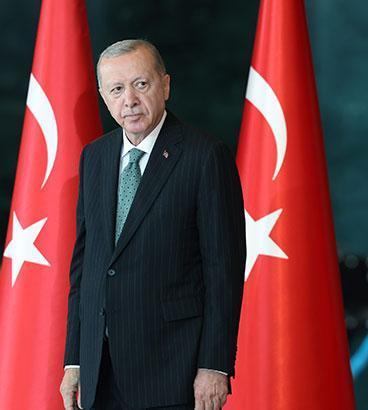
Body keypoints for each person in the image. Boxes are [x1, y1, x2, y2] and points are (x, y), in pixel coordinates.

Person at [58, 39, 246, 410]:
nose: (129, 100)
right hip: (100, 372)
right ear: (104, 97)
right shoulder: (94, 157)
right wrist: (75, 359)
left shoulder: (205, 156)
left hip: (173, 372)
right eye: (116, 89)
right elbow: (86, 267)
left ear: (165, 85)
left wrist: (215, 365)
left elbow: (223, 272)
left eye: (140, 84)